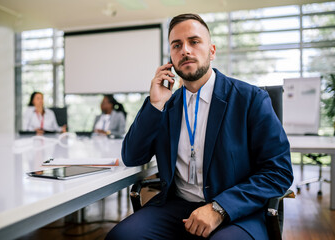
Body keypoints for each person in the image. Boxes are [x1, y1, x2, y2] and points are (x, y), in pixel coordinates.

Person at [106, 13, 293, 240]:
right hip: (177, 206)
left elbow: (278, 171)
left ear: (212, 51)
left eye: (194, 42)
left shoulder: (250, 99)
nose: (185, 50)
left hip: (236, 211)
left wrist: (219, 208)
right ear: (171, 59)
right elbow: (132, 156)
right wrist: (155, 104)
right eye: (177, 45)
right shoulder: (167, 106)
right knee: (121, 237)